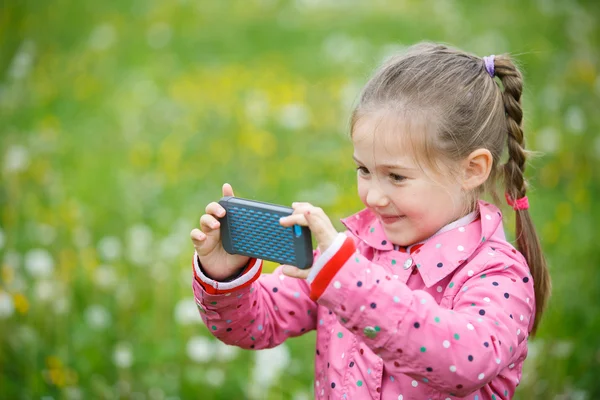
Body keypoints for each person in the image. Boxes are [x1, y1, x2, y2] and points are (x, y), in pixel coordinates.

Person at [189, 42, 551, 399]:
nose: (373, 197)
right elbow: (256, 325)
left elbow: (465, 363)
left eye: (396, 177)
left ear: (472, 170)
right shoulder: (357, 250)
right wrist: (226, 276)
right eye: (364, 169)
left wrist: (348, 279)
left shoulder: (495, 271)